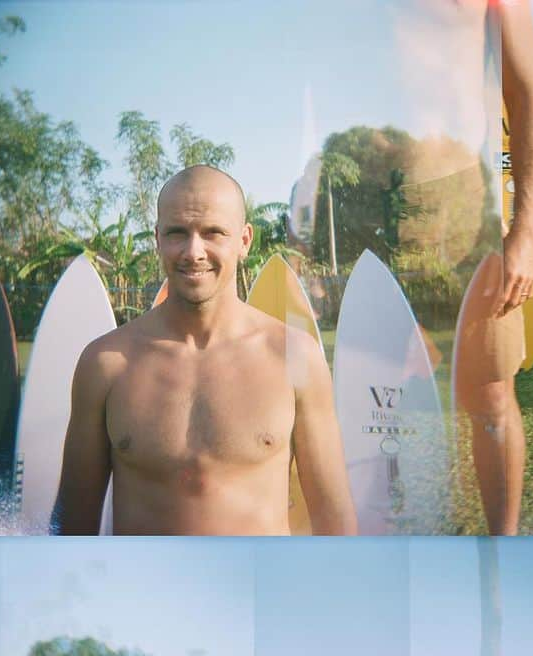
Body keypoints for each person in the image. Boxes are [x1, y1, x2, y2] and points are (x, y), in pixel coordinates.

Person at [53, 165, 356, 536]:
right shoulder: (106, 364)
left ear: (245, 240)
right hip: (143, 591)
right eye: (177, 233)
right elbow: (71, 527)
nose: (194, 252)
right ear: (157, 239)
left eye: (213, 233)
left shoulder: (295, 358)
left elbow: (334, 520)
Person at [454, 0, 533, 537]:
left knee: (491, 394)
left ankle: (503, 548)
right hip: (376, 207)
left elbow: (528, 97)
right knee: (378, 388)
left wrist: (526, 232)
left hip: (472, 212)